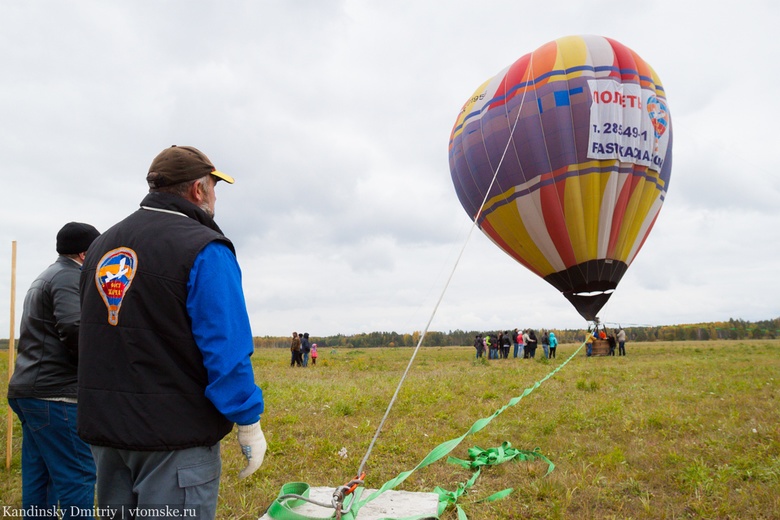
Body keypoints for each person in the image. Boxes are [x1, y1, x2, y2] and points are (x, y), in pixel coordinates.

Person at [77, 145, 267, 519]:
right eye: (214, 187)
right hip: (173, 440)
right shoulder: (203, 247)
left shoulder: (101, 246)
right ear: (199, 190)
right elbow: (226, 348)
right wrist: (248, 420)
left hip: (107, 434)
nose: (215, 197)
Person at [8, 222, 100, 518]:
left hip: (33, 392)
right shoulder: (68, 277)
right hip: (56, 395)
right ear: (86, 254)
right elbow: (74, 328)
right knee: (79, 476)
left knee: (41, 478)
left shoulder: (46, 275)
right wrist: (104, 364)